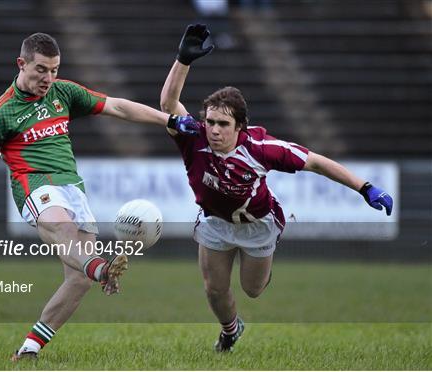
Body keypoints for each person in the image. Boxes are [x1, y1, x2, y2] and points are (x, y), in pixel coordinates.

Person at [0, 32, 199, 361]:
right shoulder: (0, 114)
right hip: (36, 187)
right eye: (40, 70)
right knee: (66, 233)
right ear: (21, 64)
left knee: (78, 280)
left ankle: (29, 349)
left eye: (54, 70)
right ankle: (100, 268)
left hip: (72, 188)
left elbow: (118, 107)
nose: (48, 78)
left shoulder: (63, 91)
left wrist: (172, 120)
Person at [160, 24, 393, 352]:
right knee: (214, 289)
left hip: (258, 224)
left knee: (252, 290)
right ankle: (230, 330)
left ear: (239, 126)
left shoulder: (262, 148)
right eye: (210, 121)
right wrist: (183, 60)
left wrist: (365, 188)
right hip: (214, 221)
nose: (213, 129)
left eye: (222, 124)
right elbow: (169, 105)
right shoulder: (193, 136)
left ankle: (261, 268)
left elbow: (315, 162)